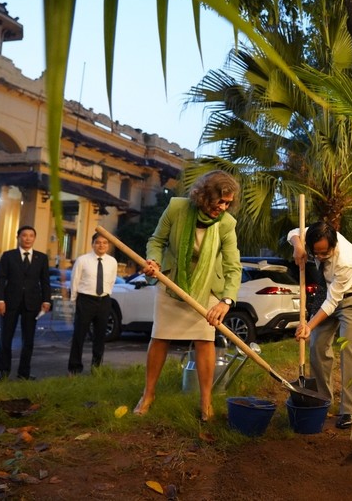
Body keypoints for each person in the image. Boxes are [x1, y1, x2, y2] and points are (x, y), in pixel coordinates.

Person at [134, 170, 242, 421]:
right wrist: (153, 261)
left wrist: (227, 301)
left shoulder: (227, 224)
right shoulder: (177, 208)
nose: (223, 207)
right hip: (171, 283)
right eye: (220, 201)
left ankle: (205, 401)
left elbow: (233, 266)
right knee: (160, 337)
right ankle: (148, 394)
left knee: (205, 342)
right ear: (205, 196)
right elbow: (157, 240)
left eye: (228, 203)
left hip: (206, 290)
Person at [289, 221, 352, 429]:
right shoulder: (316, 235)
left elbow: (333, 302)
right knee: (316, 347)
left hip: (351, 298)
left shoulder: (346, 261)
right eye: (316, 253)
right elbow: (294, 232)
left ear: (334, 244)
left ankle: (349, 410)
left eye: (325, 253)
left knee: (348, 349)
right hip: (326, 293)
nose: (320, 257)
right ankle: (323, 401)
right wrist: (298, 246)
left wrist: (308, 324)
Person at [0, 225, 52, 381]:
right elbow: (1, 279)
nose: (27, 238)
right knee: (6, 339)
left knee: (29, 340)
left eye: (31, 235)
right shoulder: (8, 256)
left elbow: (45, 281)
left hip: (32, 304)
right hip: (10, 302)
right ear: (18, 237)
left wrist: (46, 300)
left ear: (34, 238)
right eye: (24, 235)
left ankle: (24, 373)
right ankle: (3, 373)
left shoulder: (41, 258)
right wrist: (0, 300)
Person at [67, 232, 118, 375]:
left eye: (105, 243)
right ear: (93, 244)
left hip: (104, 300)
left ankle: (96, 368)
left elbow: (112, 280)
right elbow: (75, 280)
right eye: (98, 242)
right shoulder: (83, 260)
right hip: (85, 300)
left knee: (100, 336)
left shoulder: (112, 262)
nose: (101, 245)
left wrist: (107, 293)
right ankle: (74, 367)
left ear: (108, 245)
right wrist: (74, 300)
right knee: (79, 335)